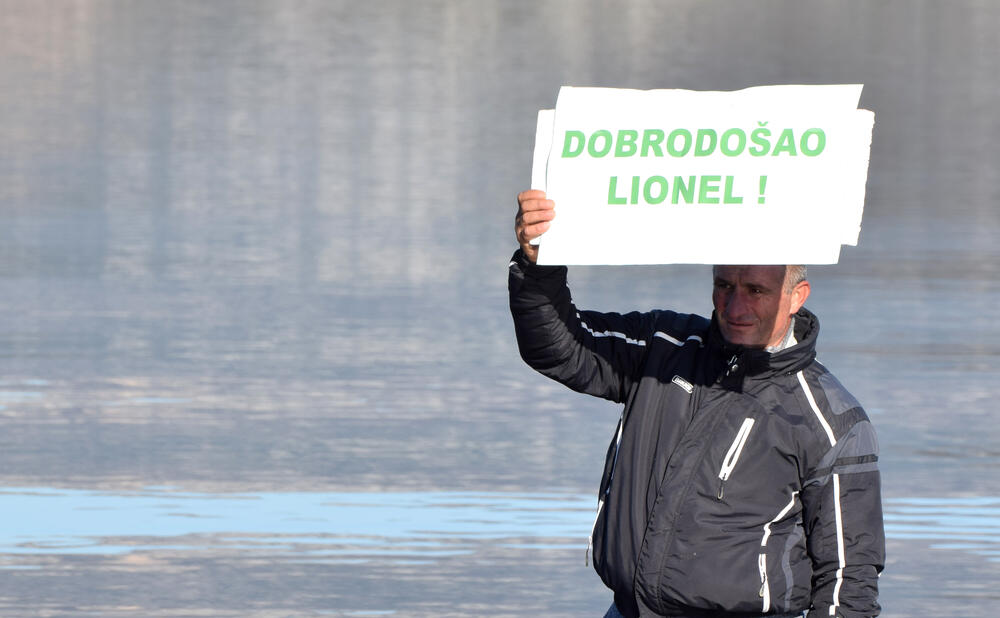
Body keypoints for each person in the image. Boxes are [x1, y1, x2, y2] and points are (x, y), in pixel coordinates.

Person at [508, 190, 884, 618]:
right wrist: (538, 264)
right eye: (725, 285)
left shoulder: (832, 420)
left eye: (755, 290)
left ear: (797, 296)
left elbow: (849, 581)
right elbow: (559, 347)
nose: (736, 306)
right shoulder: (665, 346)